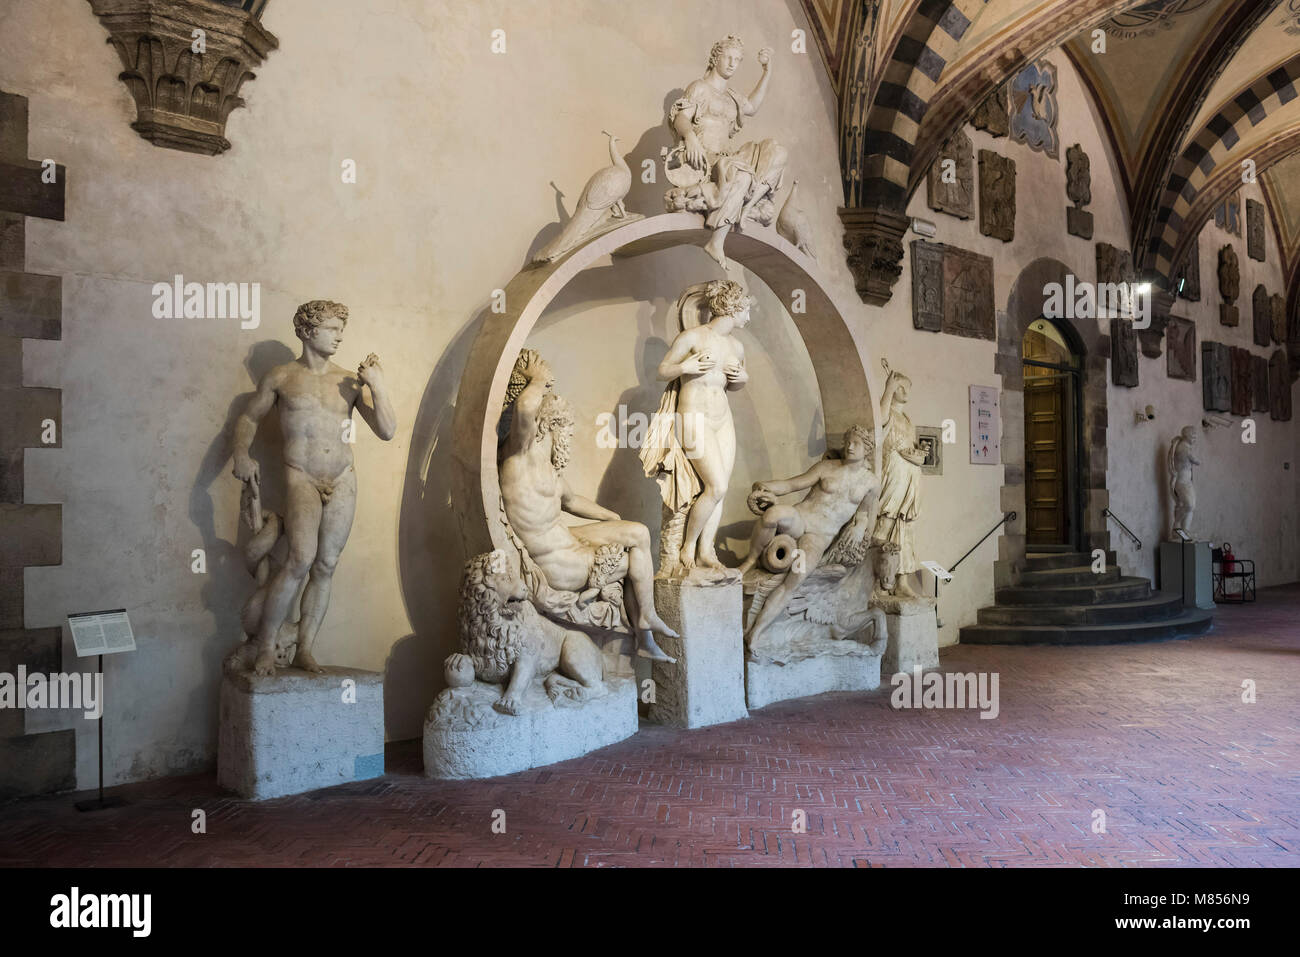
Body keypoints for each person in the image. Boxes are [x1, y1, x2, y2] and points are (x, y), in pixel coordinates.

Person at [231, 300, 397, 675]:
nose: (340, 336)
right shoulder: (282, 377)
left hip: (342, 476)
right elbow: (249, 418)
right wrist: (241, 453)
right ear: (308, 331)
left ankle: (305, 648)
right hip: (301, 475)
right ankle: (266, 647)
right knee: (300, 560)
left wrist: (378, 386)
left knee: (326, 565)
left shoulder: (349, 381)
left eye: (342, 329)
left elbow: (387, 430)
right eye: (332, 328)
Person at [500, 350, 678, 661]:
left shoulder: (545, 466)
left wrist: (612, 518)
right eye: (567, 429)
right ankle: (645, 632)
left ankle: (646, 619)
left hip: (567, 541)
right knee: (632, 563)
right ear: (550, 425)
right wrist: (537, 379)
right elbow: (525, 409)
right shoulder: (519, 456)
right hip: (556, 564)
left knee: (636, 532)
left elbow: (570, 501)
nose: (568, 437)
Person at [641, 279, 751, 578]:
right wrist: (685, 368)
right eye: (746, 309)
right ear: (732, 307)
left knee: (720, 490)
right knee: (717, 486)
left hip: (722, 419)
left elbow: (735, 385)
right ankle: (687, 547)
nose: (749, 316)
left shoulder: (736, 346)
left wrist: (742, 378)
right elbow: (662, 371)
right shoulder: (692, 337)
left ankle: (706, 551)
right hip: (693, 416)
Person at [738, 425, 879, 645]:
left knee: (794, 580)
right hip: (800, 519)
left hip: (819, 538)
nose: (850, 447)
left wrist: (860, 526)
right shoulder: (827, 467)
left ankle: (756, 633)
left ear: (867, 449)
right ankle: (749, 561)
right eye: (848, 442)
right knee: (773, 514)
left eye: (856, 444)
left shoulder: (871, 482)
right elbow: (792, 484)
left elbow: (864, 513)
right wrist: (765, 487)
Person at [666, 34, 788, 268]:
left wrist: (767, 71)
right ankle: (716, 241)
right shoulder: (699, 87)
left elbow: (751, 107)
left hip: (727, 156)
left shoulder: (732, 95)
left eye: (738, 60)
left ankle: (747, 207)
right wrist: (689, 136)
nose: (733, 64)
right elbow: (681, 117)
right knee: (739, 173)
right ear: (715, 58)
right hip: (704, 159)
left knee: (776, 151)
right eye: (728, 57)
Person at [872, 360, 926, 598]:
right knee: (885, 523)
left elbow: (909, 445)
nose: (906, 392)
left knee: (905, 529)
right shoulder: (887, 411)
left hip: (910, 474)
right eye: (901, 387)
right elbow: (880, 420)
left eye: (906, 388)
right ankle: (876, 581)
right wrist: (888, 388)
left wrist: (920, 450)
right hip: (893, 472)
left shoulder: (907, 418)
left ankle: (902, 581)